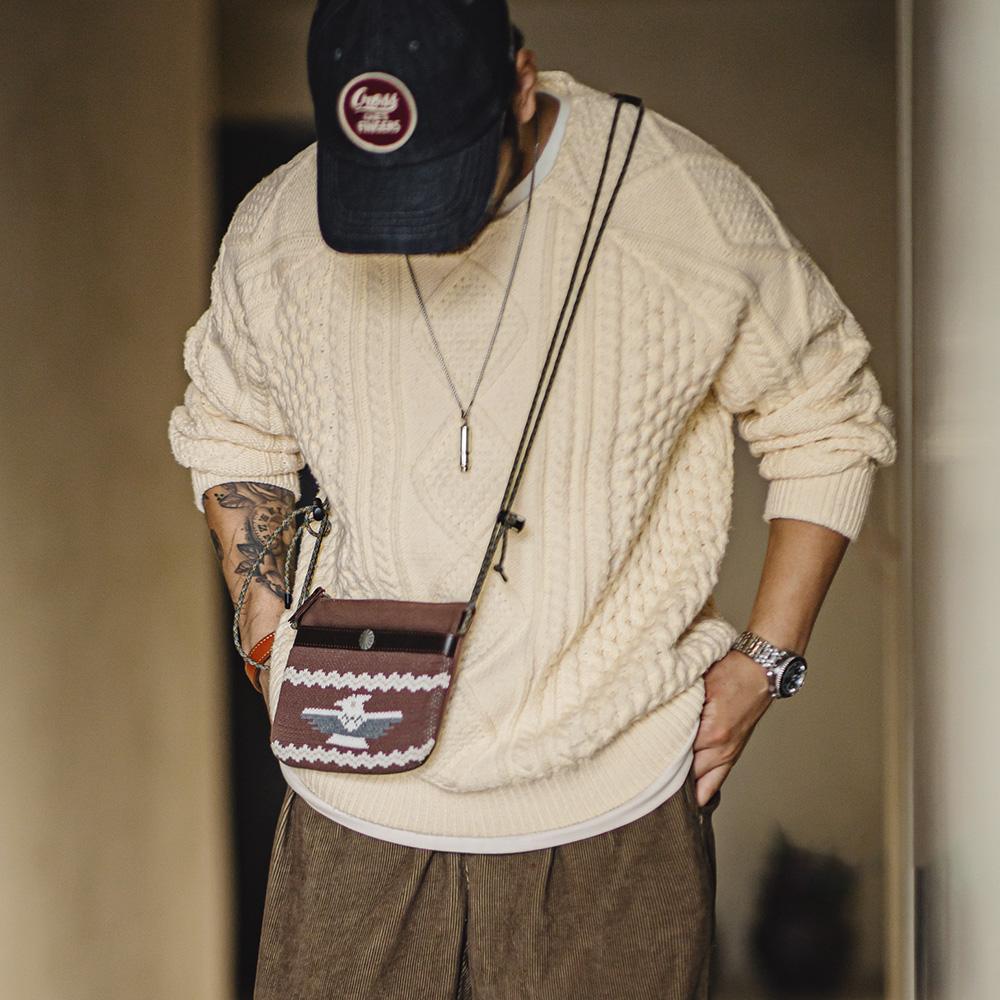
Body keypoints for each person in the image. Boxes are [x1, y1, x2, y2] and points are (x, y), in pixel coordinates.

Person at [167, 1, 897, 997]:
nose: (414, 227)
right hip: (350, 806)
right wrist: (262, 626)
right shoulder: (277, 225)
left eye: (444, 178)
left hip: (610, 813)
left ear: (521, 84)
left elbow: (827, 416)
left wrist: (766, 661)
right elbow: (232, 422)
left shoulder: (675, 204)